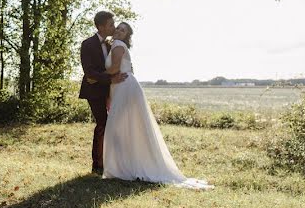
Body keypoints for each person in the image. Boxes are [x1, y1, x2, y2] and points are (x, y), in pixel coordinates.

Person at [102, 22, 213, 189]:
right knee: (126, 127)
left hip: (124, 87)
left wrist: (94, 75)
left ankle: (122, 168)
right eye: (118, 27)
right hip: (122, 87)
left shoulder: (118, 45)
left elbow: (114, 68)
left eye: (122, 30)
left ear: (126, 35)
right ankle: (125, 166)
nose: (118, 30)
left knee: (117, 127)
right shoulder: (118, 45)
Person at [79, 11, 127, 175]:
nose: (114, 27)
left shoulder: (110, 44)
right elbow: (89, 72)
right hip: (94, 91)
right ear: (101, 27)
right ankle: (97, 165)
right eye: (111, 25)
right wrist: (110, 80)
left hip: (110, 91)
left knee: (112, 124)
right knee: (102, 123)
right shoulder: (87, 44)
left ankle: (112, 161)